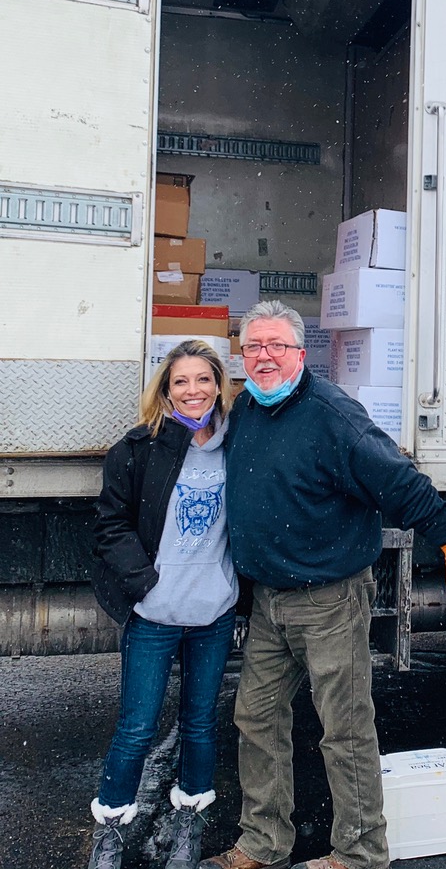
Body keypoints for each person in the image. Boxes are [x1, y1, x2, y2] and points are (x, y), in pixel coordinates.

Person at [200, 300, 446, 869]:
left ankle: (360, 853)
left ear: (300, 352)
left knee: (343, 730)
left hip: (331, 600)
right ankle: (264, 843)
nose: (263, 357)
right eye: (252, 348)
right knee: (257, 717)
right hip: (270, 601)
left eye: (276, 346)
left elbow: (401, 484)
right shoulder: (245, 408)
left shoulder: (333, 415)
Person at [88, 340, 238, 869]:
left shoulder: (237, 446)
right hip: (154, 615)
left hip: (213, 616)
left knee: (200, 725)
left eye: (203, 380)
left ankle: (189, 825)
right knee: (136, 727)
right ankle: (110, 829)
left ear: (219, 385)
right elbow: (111, 524)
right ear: (165, 389)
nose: (193, 390)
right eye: (181, 381)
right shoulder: (138, 448)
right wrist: (143, 583)